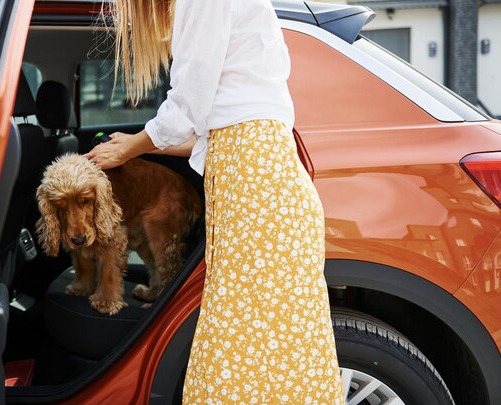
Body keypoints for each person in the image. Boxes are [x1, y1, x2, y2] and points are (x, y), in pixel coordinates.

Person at [86, 0, 345, 403]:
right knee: (270, 352)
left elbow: (186, 107)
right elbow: (216, 132)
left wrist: (129, 150)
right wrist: (137, 146)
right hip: (263, 192)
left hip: (258, 196)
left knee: (242, 348)